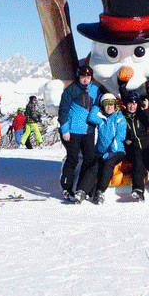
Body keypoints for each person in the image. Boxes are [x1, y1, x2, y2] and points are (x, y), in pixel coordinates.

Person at [74, 93, 127, 204]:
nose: (109, 107)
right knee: (94, 167)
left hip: (116, 151)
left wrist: (111, 152)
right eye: (106, 104)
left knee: (108, 165)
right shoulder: (102, 118)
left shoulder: (119, 118)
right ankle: (82, 191)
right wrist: (97, 104)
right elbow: (91, 117)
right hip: (101, 151)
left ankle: (100, 191)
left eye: (111, 104)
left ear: (115, 105)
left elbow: (119, 137)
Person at [58, 64, 100, 201]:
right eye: (83, 77)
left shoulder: (95, 89)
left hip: (89, 130)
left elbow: (99, 103)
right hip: (73, 131)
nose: (85, 80)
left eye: (88, 77)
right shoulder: (71, 90)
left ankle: (82, 189)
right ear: (78, 76)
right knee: (73, 159)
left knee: (89, 160)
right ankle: (66, 188)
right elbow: (63, 110)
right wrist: (65, 130)